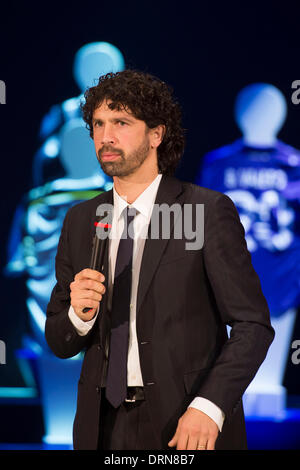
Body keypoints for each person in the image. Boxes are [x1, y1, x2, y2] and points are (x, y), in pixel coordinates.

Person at [45, 70, 274, 451]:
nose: (106, 137)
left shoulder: (205, 211)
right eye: (98, 124)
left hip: (186, 425)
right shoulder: (81, 219)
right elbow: (59, 339)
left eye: (121, 122)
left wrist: (210, 406)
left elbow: (253, 326)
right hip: (101, 427)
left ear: (156, 135)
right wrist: (78, 317)